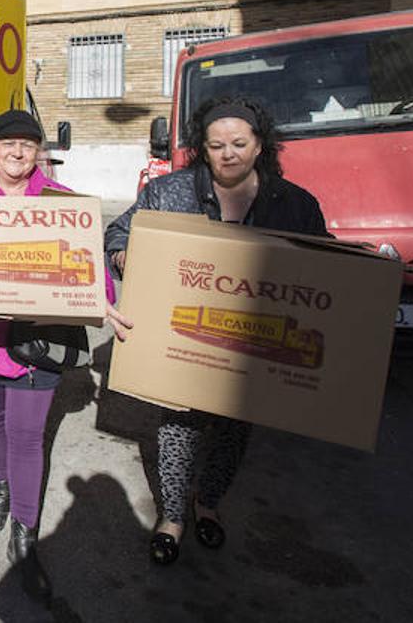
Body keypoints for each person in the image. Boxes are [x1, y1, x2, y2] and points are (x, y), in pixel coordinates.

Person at [104, 95, 330, 566]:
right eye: (216, 145)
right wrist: (124, 252)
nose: (228, 153)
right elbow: (119, 232)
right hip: (184, 338)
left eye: (239, 143)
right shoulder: (168, 192)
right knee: (178, 427)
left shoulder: (293, 204)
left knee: (232, 429)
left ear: (260, 144)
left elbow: (322, 265)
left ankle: (208, 503)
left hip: (254, 344)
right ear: (202, 148)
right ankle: (171, 516)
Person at [0, 109, 131, 603]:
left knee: (26, 435)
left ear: (40, 152)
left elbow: (85, 256)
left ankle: (25, 528)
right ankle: (0, 486)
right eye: (8, 144)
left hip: (39, 342)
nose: (18, 152)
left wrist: (102, 298)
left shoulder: (60, 200)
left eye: (28, 144)